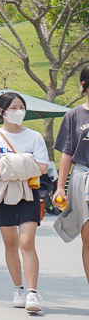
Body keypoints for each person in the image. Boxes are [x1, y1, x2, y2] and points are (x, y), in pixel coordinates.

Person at [0, 91, 49, 313]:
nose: (18, 111)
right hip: (2, 194)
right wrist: (26, 162)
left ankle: (33, 293)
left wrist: (8, 163)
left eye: (21, 107)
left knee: (26, 242)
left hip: (29, 193)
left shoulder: (35, 137)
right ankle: (18, 288)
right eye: (13, 108)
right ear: (1, 112)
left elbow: (42, 168)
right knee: (10, 243)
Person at [53, 64, 89, 292]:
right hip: (83, 177)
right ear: (85, 86)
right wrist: (60, 187)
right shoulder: (74, 115)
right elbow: (67, 153)